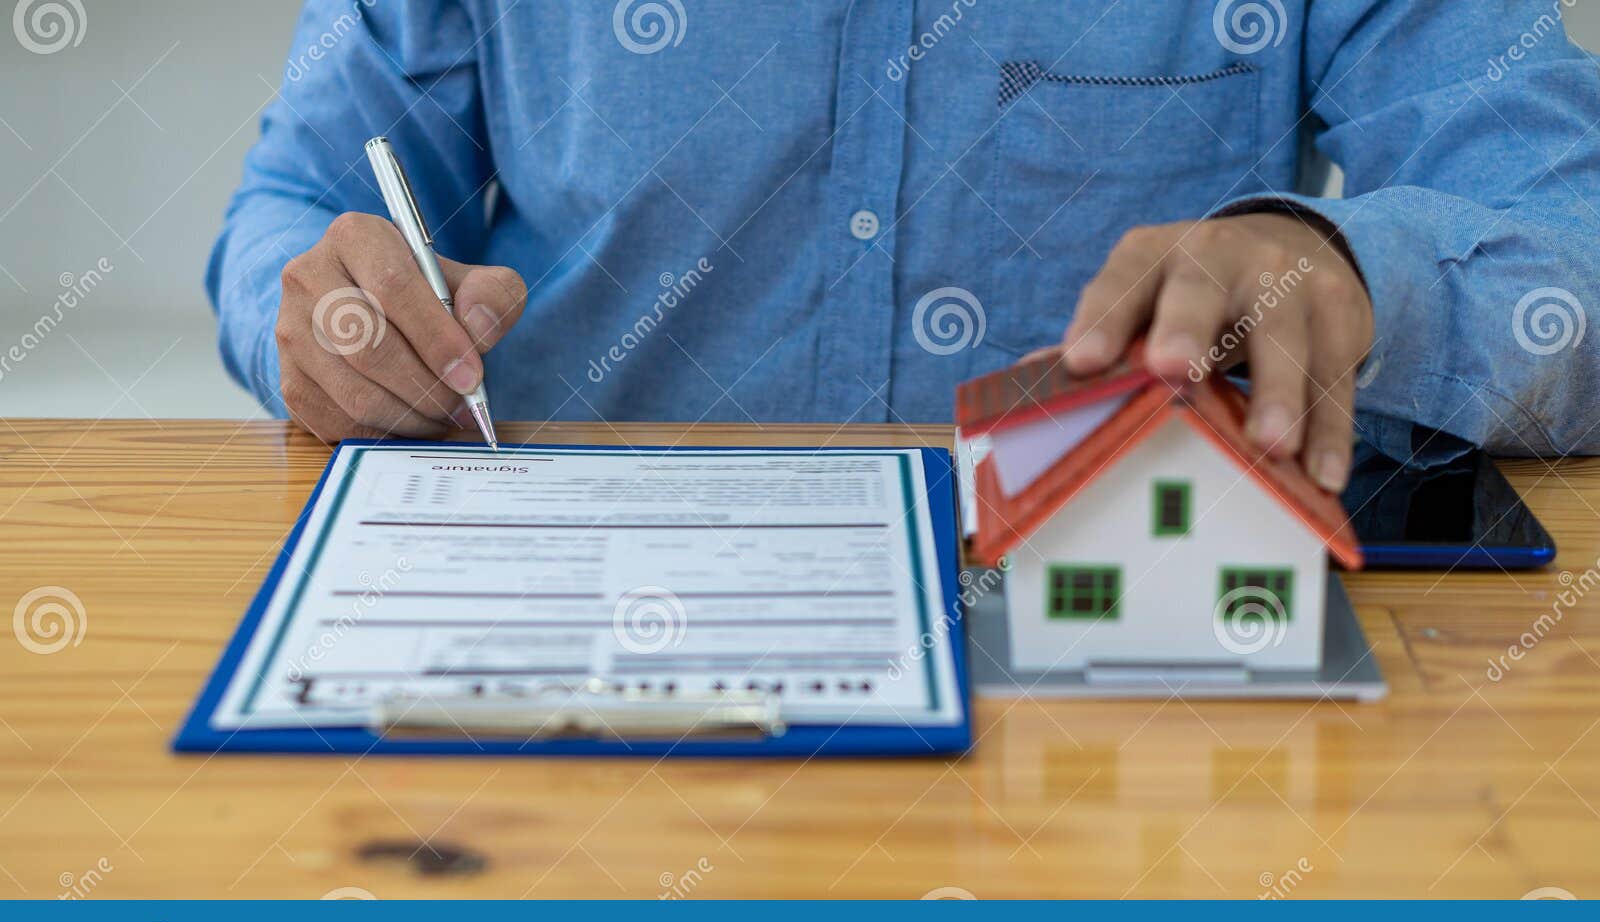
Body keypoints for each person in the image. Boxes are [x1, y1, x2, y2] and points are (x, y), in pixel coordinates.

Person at [209, 0, 1600, 492]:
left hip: (1095, 655)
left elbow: (1567, 246)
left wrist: (1341, 268)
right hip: (568, 644)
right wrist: (333, 324)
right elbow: (292, 204)